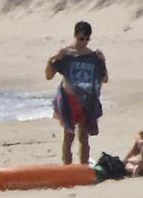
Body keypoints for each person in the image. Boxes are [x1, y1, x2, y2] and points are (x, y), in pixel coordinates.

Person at [45, 20, 108, 165]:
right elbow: (49, 76)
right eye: (81, 38)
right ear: (75, 36)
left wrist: (102, 61)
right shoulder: (67, 55)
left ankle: (83, 165)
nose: (84, 42)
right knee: (69, 135)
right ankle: (66, 167)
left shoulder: (93, 57)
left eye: (87, 39)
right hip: (69, 100)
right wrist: (52, 60)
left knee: (84, 137)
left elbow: (104, 79)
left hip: (86, 101)